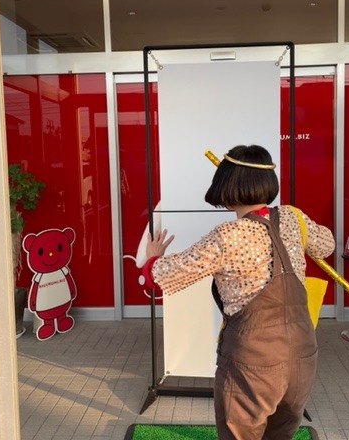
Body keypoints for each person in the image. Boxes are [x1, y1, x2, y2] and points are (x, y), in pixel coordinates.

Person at [142, 144, 335, 440]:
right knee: (280, 434)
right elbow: (327, 245)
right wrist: (302, 224)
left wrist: (153, 257)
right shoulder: (293, 219)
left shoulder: (229, 236)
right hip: (303, 355)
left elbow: (164, 276)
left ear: (226, 185)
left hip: (252, 364)